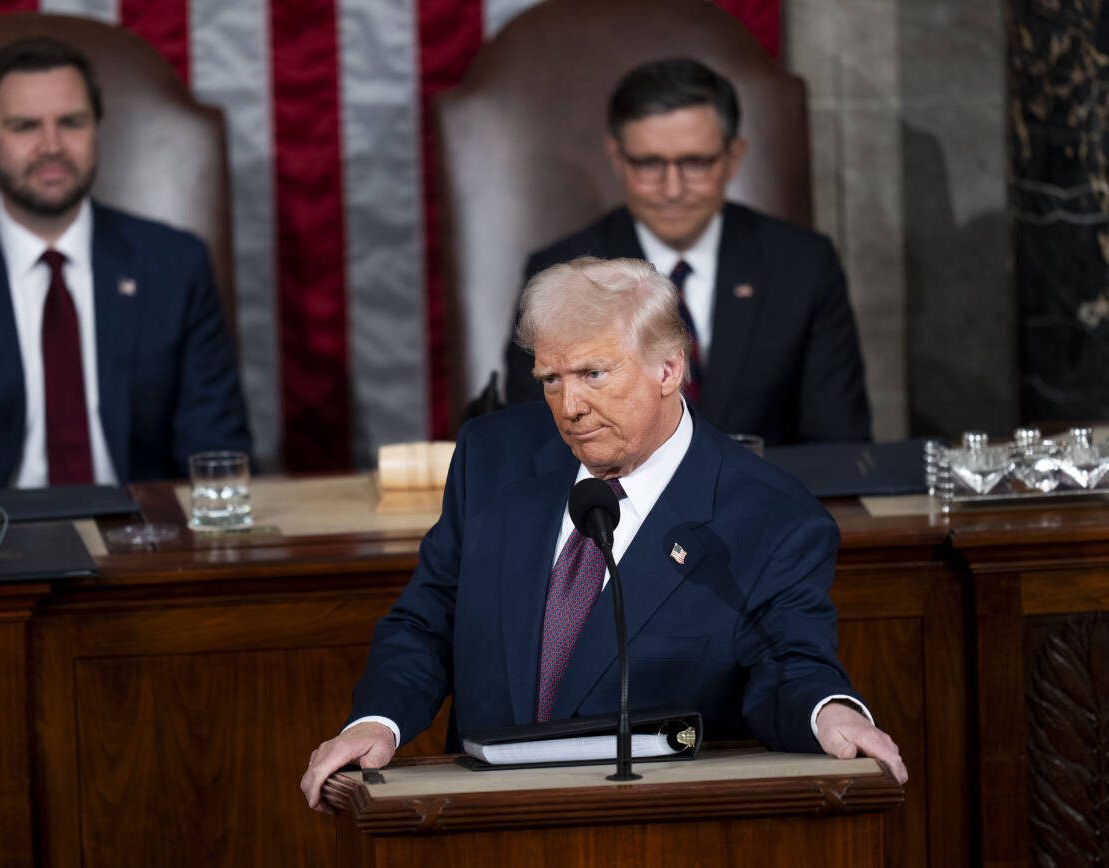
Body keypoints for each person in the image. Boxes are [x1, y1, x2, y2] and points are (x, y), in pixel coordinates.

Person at [301, 257, 905, 810]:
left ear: (669, 368)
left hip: (651, 828)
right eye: (551, 379)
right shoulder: (494, 457)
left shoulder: (770, 516)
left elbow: (790, 663)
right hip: (479, 821)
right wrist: (376, 722)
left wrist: (830, 714)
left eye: (593, 373)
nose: (570, 406)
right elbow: (428, 619)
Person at [0, 37, 251, 491]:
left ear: (96, 130)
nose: (52, 146)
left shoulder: (174, 266)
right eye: (25, 126)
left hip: (148, 543)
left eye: (71, 122)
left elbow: (216, 461)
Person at [502, 58, 871, 445]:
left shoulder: (802, 265)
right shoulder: (560, 277)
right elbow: (535, 444)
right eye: (649, 164)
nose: (673, 189)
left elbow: (839, 446)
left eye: (695, 163)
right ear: (617, 160)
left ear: (733, 158)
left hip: (763, 500)